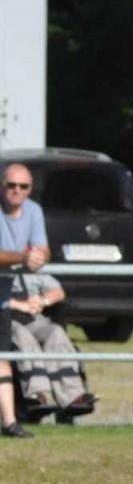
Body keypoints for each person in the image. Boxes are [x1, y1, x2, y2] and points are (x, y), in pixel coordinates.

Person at [0, 162, 50, 438]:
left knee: (2, 357)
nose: (17, 191)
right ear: (2, 186)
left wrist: (39, 257)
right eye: (11, 185)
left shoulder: (34, 211)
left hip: (2, 298)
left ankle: (9, 423)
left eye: (23, 186)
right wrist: (22, 256)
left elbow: (43, 248)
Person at [10, 272, 95, 422]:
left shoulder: (27, 269)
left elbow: (58, 291)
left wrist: (43, 301)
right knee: (23, 336)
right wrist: (18, 305)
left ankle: (72, 397)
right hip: (5, 320)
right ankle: (38, 394)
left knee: (55, 332)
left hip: (31, 317)